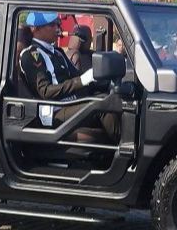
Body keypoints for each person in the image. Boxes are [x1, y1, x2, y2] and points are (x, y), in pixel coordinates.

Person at [18, 11, 118, 141]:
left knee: (111, 98)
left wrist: (106, 82)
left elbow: (77, 77)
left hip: (71, 104)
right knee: (102, 105)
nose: (58, 28)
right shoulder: (31, 55)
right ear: (35, 29)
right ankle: (127, 153)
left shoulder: (58, 52)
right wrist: (82, 80)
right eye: (52, 25)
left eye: (58, 24)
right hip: (54, 110)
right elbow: (45, 91)